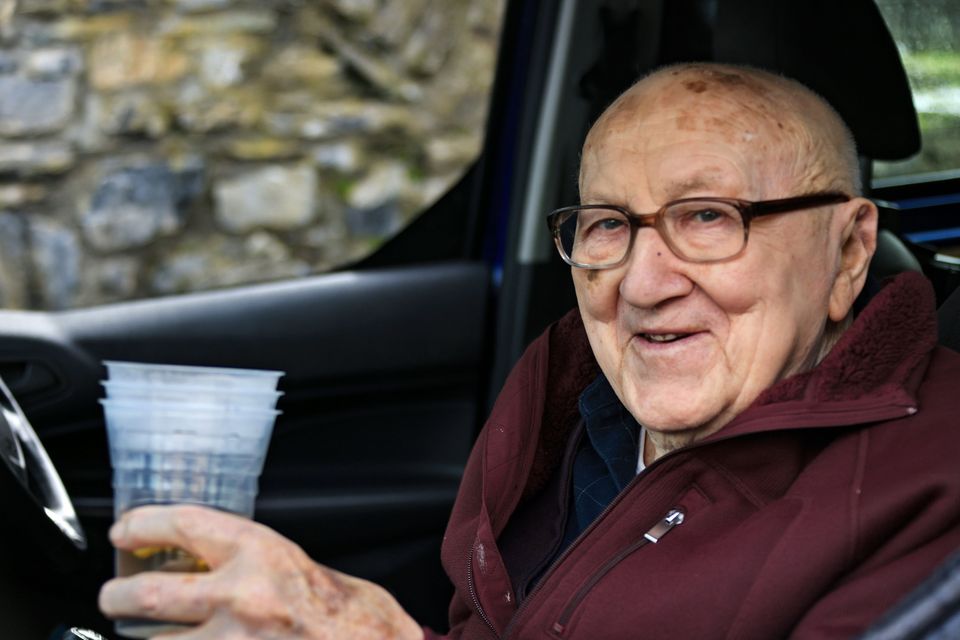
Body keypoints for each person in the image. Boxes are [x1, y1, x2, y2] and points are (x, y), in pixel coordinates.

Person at [98, 62, 960, 639]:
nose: (641, 281)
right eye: (608, 224)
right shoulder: (568, 400)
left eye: (708, 217)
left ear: (849, 253)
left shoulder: (930, 489)